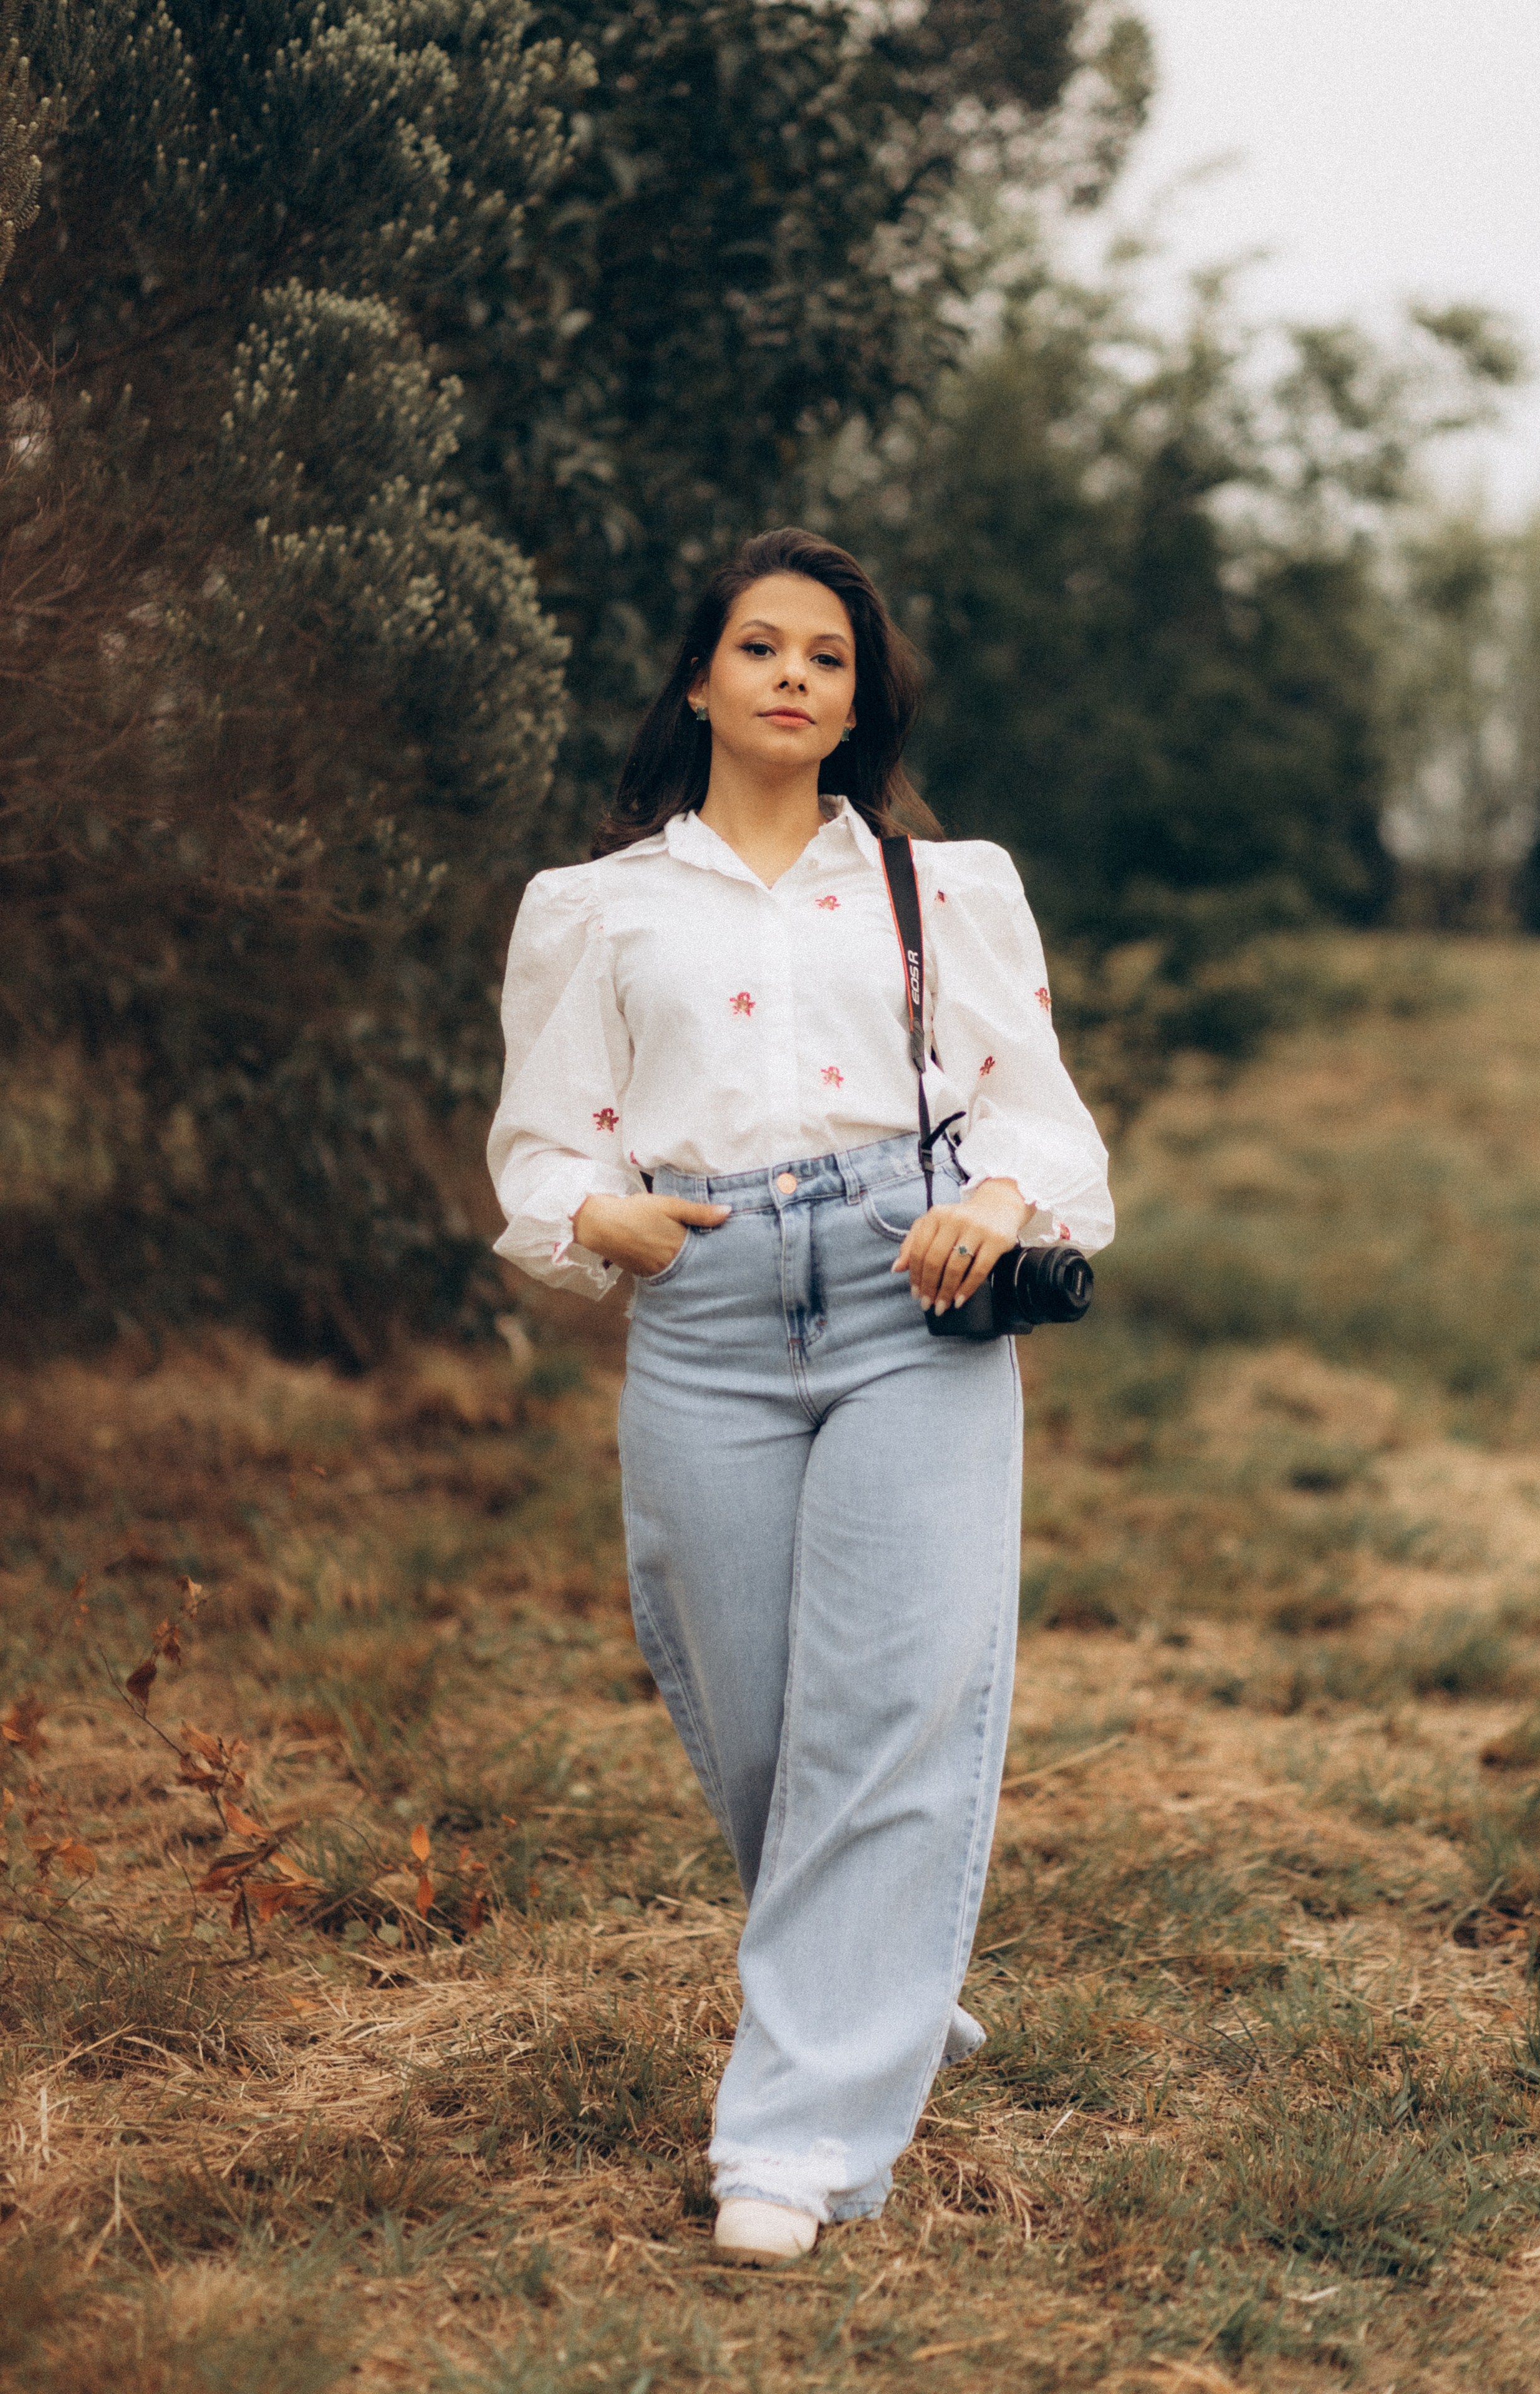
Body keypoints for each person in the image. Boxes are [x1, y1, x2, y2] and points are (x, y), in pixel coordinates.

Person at [488, 527, 1113, 2263]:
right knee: (764, 1720)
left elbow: (1044, 1119)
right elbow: (542, 1147)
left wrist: (995, 1200)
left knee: (893, 1707)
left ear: (858, 701)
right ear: (700, 679)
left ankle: (788, 2146)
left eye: (826, 658)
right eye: (759, 646)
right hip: (703, 1302)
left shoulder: (945, 887)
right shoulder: (595, 908)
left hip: (912, 1289)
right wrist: (592, 1216)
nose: (791, 676)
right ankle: (886, 1975)